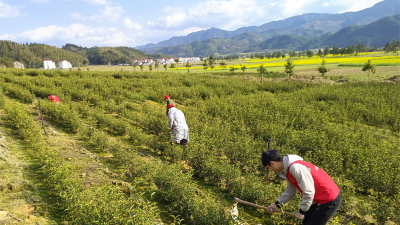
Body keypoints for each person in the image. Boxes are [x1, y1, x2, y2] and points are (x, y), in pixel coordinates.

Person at [261, 149, 341, 225]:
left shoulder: (295, 168)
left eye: (269, 168)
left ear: (272, 163)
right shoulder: (287, 169)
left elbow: (309, 192)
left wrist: (302, 211)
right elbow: (290, 191)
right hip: (317, 198)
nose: (271, 170)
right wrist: (276, 205)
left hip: (329, 199)